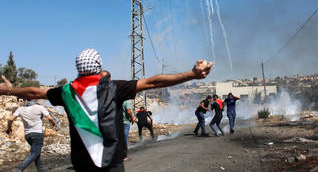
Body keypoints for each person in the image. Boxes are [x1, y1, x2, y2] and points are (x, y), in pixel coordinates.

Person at [0, 48, 213, 171]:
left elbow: (35, 92)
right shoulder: (114, 88)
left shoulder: (66, 92)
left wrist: (9, 91)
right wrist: (191, 74)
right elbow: (153, 83)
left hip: (82, 164)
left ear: (79, 68)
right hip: (111, 161)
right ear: (99, 67)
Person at [6, 100, 57, 172]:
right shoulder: (40, 107)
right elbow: (50, 118)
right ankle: (19, 168)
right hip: (37, 134)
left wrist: (9, 128)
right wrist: (54, 124)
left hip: (27, 135)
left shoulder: (20, 109)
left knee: (35, 153)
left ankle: (41, 169)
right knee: (36, 153)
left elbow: (10, 119)